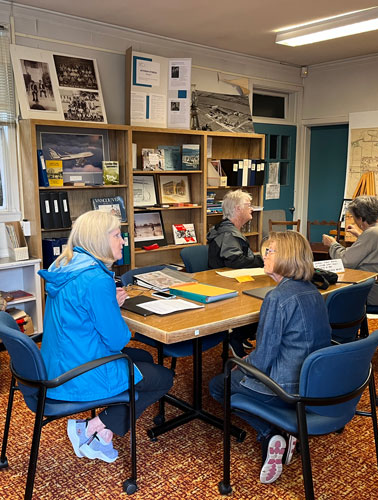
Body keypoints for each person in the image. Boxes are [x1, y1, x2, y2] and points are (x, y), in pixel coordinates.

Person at [39, 211, 174, 463]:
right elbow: (118, 340)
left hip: (59, 361)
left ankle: (103, 431)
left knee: (143, 357)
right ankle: (92, 427)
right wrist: (112, 305)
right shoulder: (96, 280)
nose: (123, 240)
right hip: (79, 373)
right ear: (99, 240)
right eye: (116, 235)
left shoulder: (64, 264)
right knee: (164, 378)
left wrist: (108, 304)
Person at [209, 231, 331, 484]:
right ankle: (288, 428)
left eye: (269, 251)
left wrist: (239, 366)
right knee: (239, 369)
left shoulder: (277, 298)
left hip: (284, 387)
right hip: (314, 382)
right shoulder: (313, 291)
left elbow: (263, 359)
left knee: (218, 386)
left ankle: (270, 432)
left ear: (286, 256)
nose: (262, 256)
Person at [207, 189, 264, 356]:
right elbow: (235, 261)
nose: (251, 208)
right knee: (265, 303)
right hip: (226, 285)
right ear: (238, 209)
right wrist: (264, 261)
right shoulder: (228, 234)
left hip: (232, 282)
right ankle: (237, 336)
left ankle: (242, 333)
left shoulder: (228, 229)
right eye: (248, 205)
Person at [322, 195, 378, 306]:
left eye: (354, 218)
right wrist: (360, 235)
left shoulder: (372, 233)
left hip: (376, 294)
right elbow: (376, 248)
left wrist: (332, 244)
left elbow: (345, 261)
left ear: (360, 218)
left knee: (328, 295)